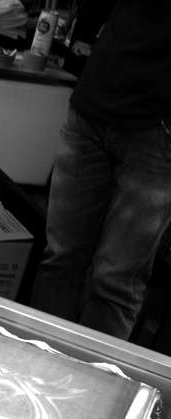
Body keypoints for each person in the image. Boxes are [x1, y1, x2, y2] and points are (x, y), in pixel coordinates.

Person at [30, 0, 171, 341]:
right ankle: (31, 362)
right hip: (96, 98)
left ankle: (89, 375)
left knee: (114, 283)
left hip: (159, 128)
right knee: (60, 260)